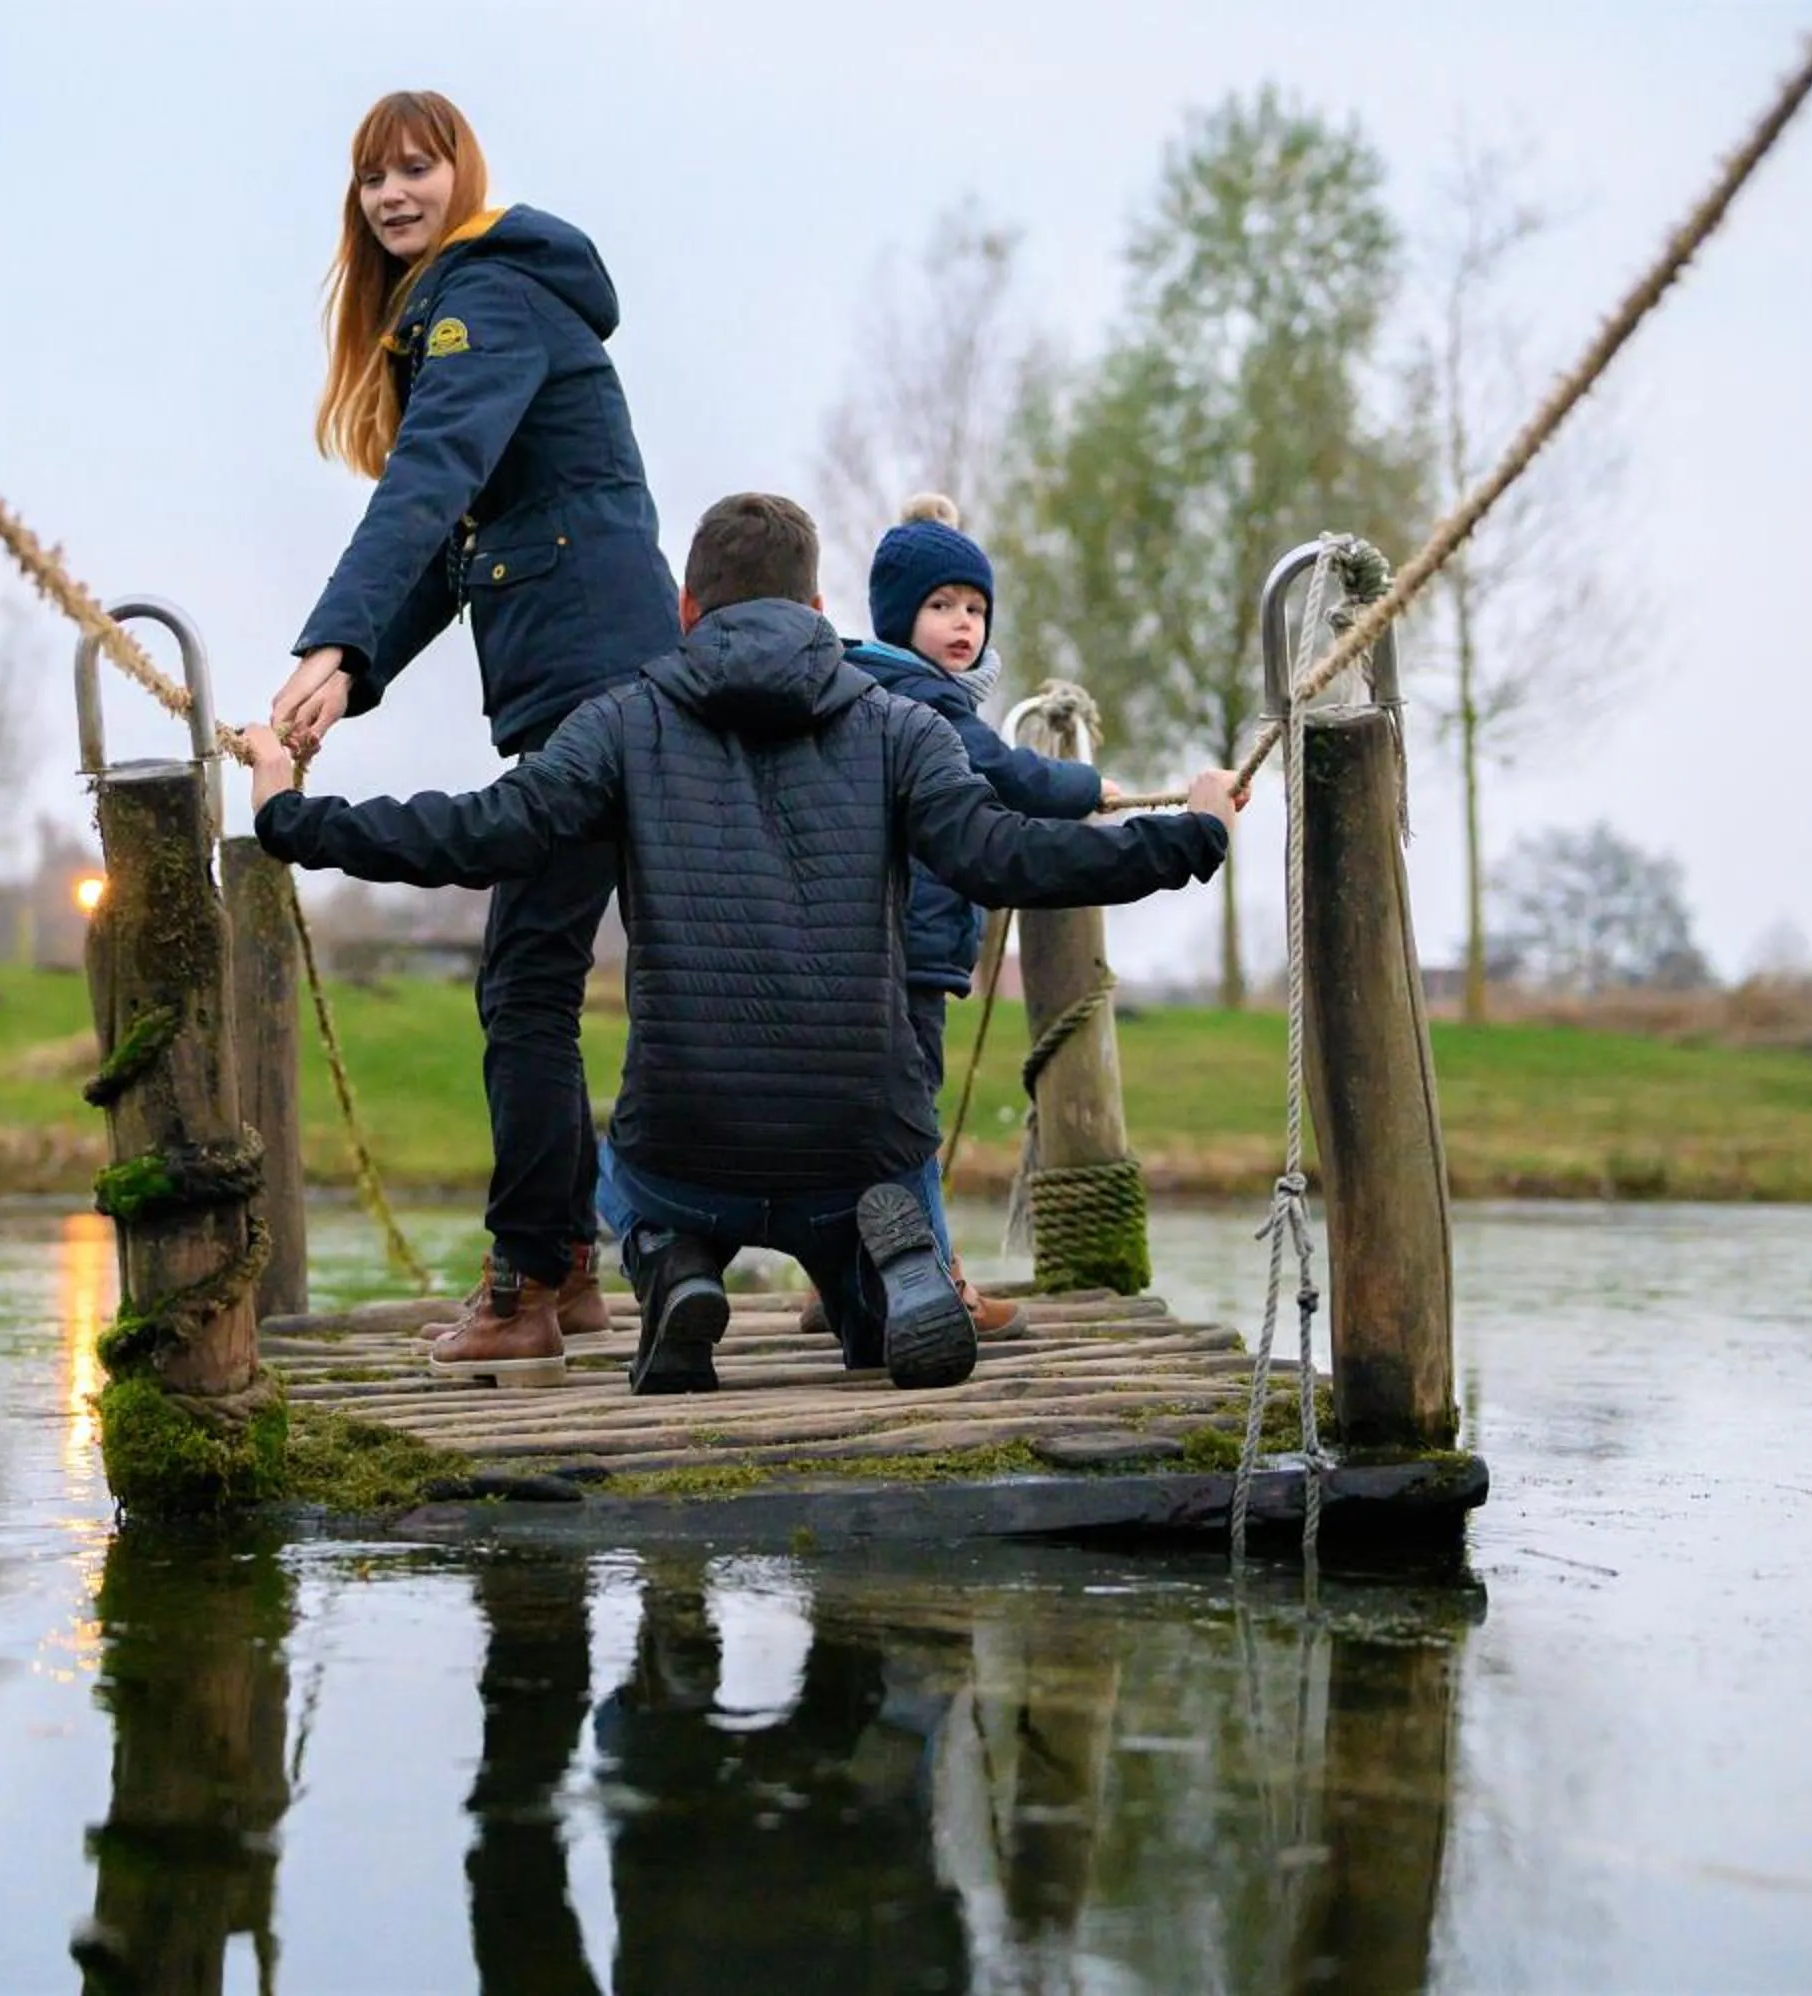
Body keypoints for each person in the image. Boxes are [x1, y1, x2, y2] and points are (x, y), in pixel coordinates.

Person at [244, 493, 1238, 1393]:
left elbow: (473, 833)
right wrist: (1192, 835)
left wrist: (292, 815)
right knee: (863, 1216)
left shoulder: (620, 721)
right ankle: (884, 1275)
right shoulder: (901, 727)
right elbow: (1011, 858)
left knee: (623, 1172)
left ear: (686, 611)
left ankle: (674, 1264)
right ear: (817, 608)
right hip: (860, 1139)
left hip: (686, 1141)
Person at [269, 89, 682, 1368]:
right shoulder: (477, 302)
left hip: (595, 682)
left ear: (462, 173)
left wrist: (327, 637)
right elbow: (463, 553)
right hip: (594, 671)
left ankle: (527, 1286)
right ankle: (562, 1273)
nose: (394, 195)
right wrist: (353, 674)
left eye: (416, 169)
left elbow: (430, 478)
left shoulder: (484, 298)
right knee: (533, 979)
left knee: (523, 988)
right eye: (373, 180)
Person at [817, 493, 1132, 1342]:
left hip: (864, 944)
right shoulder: (929, 702)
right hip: (909, 945)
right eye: (941, 606)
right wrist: (1085, 788)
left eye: (975, 609)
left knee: (862, 1115)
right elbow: (1005, 772)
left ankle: (842, 1279)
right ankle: (935, 1284)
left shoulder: (868, 683)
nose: (963, 624)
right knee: (910, 1114)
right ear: (897, 615)